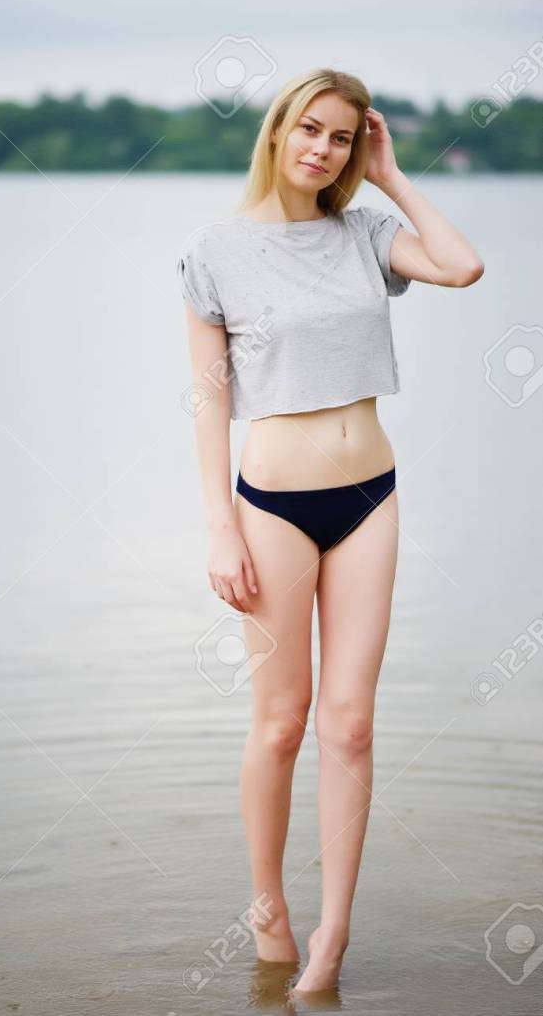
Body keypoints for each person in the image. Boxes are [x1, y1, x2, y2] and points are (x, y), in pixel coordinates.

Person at [175, 67, 484, 995]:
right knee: (281, 723)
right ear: (276, 131)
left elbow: (463, 265)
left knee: (349, 725)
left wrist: (391, 176)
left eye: (341, 138)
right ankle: (267, 908)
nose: (322, 148)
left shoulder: (367, 233)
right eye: (309, 129)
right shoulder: (216, 250)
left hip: (369, 497)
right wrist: (219, 527)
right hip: (270, 507)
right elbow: (208, 401)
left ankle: (333, 934)